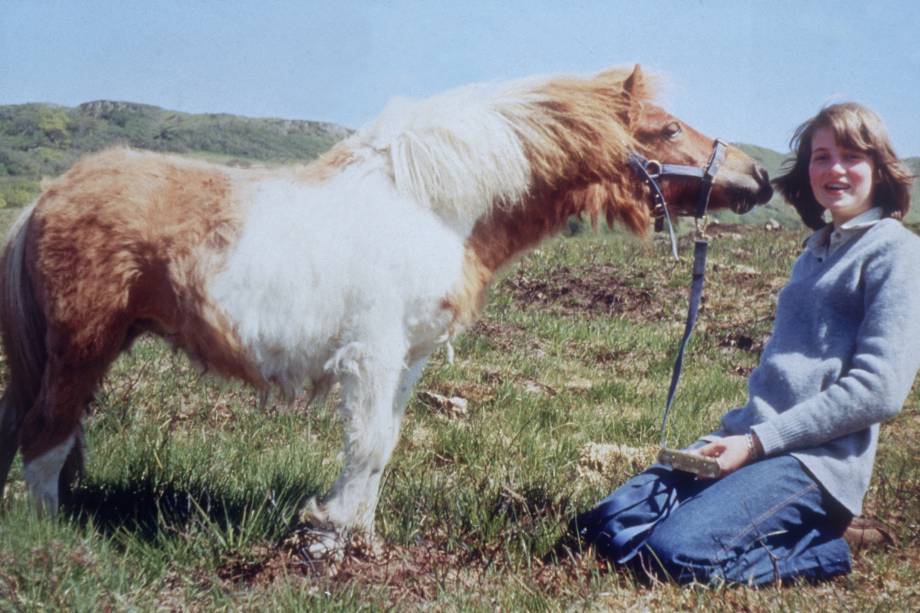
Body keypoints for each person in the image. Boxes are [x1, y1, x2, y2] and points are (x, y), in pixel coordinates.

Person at [572, 102, 919, 586]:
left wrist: (756, 445)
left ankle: (827, 550)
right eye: (821, 157)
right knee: (603, 528)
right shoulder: (816, 250)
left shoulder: (895, 250)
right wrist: (742, 438)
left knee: (674, 556)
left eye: (852, 156)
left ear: (880, 168)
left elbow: (880, 391)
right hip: (750, 441)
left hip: (814, 465)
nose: (834, 169)